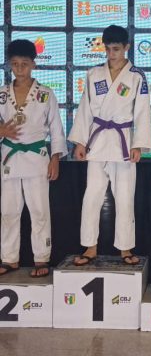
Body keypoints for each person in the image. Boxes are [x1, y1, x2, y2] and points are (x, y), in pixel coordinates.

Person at [68, 25, 151, 266]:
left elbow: (143, 112)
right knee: (91, 195)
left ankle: (125, 248)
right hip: (96, 141)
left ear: (126, 47)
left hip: (123, 141)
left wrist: (139, 144)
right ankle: (89, 246)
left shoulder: (137, 76)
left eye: (116, 49)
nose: (111, 54)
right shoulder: (94, 74)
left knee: (125, 196)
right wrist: (80, 142)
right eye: (108, 49)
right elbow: (85, 108)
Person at [0, 39, 67, 277]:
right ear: (9, 65)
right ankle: (9, 259)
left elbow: (57, 129)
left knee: (39, 211)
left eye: (25, 64)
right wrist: (2, 131)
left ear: (33, 65)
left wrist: (55, 158)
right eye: (15, 64)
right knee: (8, 211)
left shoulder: (46, 95)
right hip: (9, 158)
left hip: (37, 157)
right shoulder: (1, 94)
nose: (20, 68)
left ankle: (42, 259)